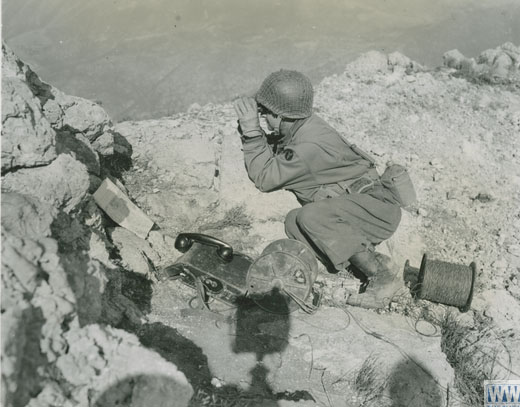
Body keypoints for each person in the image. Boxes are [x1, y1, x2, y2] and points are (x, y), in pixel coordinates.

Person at [233, 69, 403, 308]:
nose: (265, 120)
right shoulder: (305, 125)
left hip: (376, 212)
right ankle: (360, 265)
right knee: (294, 221)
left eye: (267, 114)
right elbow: (281, 151)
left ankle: (383, 276)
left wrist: (252, 133)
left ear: (281, 115)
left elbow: (265, 178)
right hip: (363, 205)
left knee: (311, 216)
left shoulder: (308, 147)